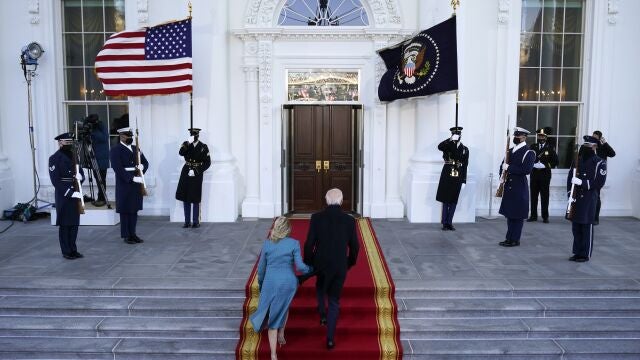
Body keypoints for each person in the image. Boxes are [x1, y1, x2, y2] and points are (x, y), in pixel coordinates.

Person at [250, 216, 312, 360]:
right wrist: (311, 269)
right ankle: (282, 334)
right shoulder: (294, 243)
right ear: (288, 229)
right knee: (283, 306)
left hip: (270, 282)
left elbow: (261, 269)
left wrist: (261, 283)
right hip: (288, 283)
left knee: (272, 317)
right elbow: (301, 267)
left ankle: (273, 354)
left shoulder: (267, 244)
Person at [304, 188, 359, 350]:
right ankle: (329, 339)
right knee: (334, 301)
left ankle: (322, 315)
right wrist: (350, 262)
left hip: (320, 263)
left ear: (326, 201)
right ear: (341, 202)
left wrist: (309, 262)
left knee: (320, 287)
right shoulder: (349, 221)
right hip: (339, 265)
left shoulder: (316, 218)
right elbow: (355, 246)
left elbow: (309, 244)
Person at [567, 135, 607, 262]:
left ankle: (585, 254)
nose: (586, 148)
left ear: (595, 147)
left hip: (589, 198)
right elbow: (570, 178)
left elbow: (599, 183)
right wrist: (570, 194)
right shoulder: (577, 160)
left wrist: (582, 183)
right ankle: (577, 252)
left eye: (588, 146)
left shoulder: (600, 163)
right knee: (576, 226)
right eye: (585, 145)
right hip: (576, 197)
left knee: (586, 227)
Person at [109, 126, 149, 244]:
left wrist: (142, 168)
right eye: (128, 136)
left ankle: (133, 233)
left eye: (131, 136)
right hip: (125, 183)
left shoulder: (135, 148)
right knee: (125, 209)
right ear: (121, 136)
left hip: (137, 181)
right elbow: (118, 168)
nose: (130, 138)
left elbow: (145, 162)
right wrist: (131, 178)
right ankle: (126, 235)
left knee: (134, 209)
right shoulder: (115, 150)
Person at [49, 132, 85, 260]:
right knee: (65, 224)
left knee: (74, 223)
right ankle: (66, 251)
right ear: (60, 143)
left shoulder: (74, 156)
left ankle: (73, 249)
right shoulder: (54, 158)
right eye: (67, 142)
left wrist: (81, 177)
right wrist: (69, 192)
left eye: (71, 142)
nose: (69, 145)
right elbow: (55, 181)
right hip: (64, 195)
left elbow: (80, 173)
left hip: (76, 191)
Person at [498, 127, 536, 247]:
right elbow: (502, 165)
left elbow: (526, 170)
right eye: (515, 135)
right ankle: (509, 238)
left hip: (519, 187)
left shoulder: (529, 152)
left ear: (524, 137)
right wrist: (502, 176)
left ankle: (515, 239)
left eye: (518, 136)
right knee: (510, 214)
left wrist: (509, 168)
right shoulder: (510, 150)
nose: (516, 137)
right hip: (509, 185)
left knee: (517, 215)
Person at [175, 128, 211, 228]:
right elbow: (181, 153)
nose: (193, 136)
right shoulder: (186, 144)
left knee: (195, 197)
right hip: (186, 171)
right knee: (185, 196)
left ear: (198, 135)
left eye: (195, 135)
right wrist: (187, 143)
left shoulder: (203, 147)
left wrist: (197, 170)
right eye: (192, 135)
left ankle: (195, 221)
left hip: (197, 172)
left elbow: (208, 162)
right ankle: (187, 221)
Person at [436, 126, 469, 231]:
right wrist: (450, 140)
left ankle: (449, 222)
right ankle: (445, 223)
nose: (457, 136)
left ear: (461, 135)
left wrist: (464, 180)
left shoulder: (465, 149)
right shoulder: (447, 146)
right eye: (455, 134)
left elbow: (465, 165)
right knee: (445, 199)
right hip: (447, 173)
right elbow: (439, 146)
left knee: (454, 200)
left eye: (458, 134)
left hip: (458, 175)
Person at [527, 128, 559, 223]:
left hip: (545, 176)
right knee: (533, 196)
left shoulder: (550, 148)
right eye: (539, 136)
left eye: (542, 136)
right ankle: (533, 216)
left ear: (546, 137)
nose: (541, 137)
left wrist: (545, 165)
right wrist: (532, 164)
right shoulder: (533, 146)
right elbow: (528, 159)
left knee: (545, 196)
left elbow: (555, 162)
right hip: (534, 175)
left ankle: (545, 216)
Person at [591, 130, 615, 225]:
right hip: (589, 175)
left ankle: (595, 218)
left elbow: (613, 154)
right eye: (593, 137)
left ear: (600, 138)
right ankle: (588, 216)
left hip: (598, 176)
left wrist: (605, 143)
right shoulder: (589, 147)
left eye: (596, 137)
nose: (594, 139)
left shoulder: (603, 148)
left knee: (596, 196)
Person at [86, 114, 109, 207]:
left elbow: (104, 138)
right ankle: (100, 197)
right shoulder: (93, 128)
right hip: (94, 157)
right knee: (98, 178)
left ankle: (102, 198)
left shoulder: (100, 126)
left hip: (101, 159)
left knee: (101, 179)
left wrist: (93, 131)